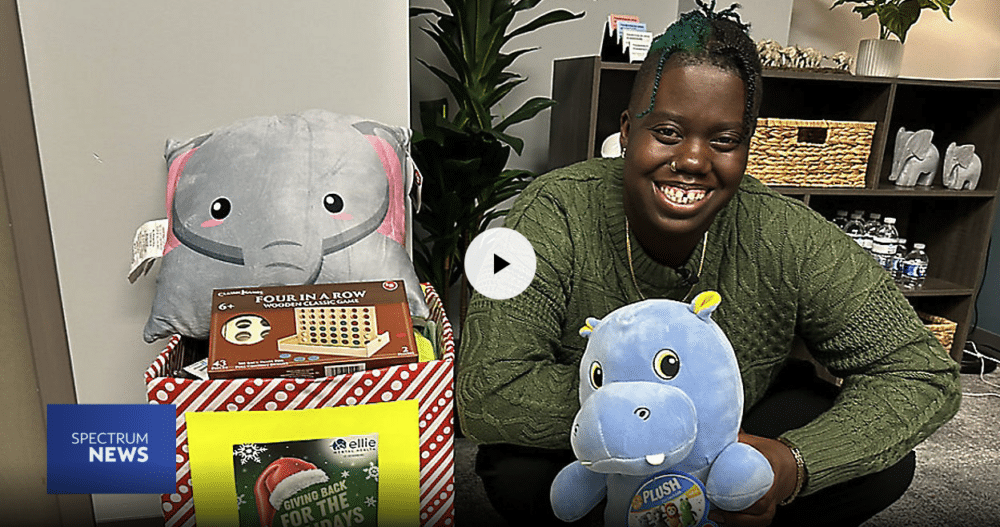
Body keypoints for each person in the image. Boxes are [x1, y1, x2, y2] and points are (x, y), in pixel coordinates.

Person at [456, 2, 961, 526]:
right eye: (668, 133)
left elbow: (921, 371)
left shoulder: (786, 232)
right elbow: (488, 390)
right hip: (604, 450)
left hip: (737, 438)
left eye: (723, 141)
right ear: (628, 131)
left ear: (747, 147)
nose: (694, 161)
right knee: (516, 475)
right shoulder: (549, 215)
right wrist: (664, 424)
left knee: (881, 464)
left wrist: (791, 468)